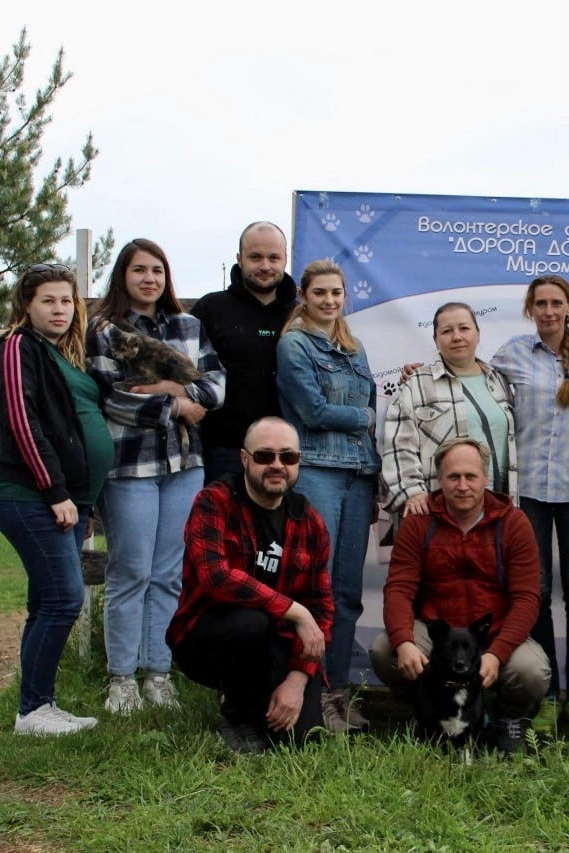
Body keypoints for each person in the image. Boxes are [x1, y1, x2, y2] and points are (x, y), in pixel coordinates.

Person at [87, 238, 226, 715]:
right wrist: (177, 405)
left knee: (168, 573)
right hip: (130, 466)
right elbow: (111, 396)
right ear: (122, 275)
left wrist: (171, 389)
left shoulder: (188, 326)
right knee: (130, 571)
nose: (150, 279)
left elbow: (215, 387)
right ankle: (121, 679)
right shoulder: (104, 330)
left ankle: (158, 675)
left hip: (186, 465)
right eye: (140, 270)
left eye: (158, 271)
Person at [0, 262, 114, 735]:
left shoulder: (61, 354)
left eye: (66, 301)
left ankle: (38, 706)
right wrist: (55, 492)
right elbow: (22, 421)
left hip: (69, 500)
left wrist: (83, 502)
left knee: (46, 602)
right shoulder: (17, 347)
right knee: (63, 598)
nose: (59, 310)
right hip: (28, 494)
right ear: (26, 305)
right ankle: (33, 710)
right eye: (47, 301)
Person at [370, 438, 551, 754]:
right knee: (386, 650)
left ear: (486, 479)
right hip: (437, 632)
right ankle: (423, 714)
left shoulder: (514, 522)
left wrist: (496, 653)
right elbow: (398, 588)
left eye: (471, 476)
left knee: (531, 671)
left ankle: (509, 719)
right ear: (439, 480)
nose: (463, 485)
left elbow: (527, 598)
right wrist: (404, 641)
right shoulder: (418, 522)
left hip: (491, 634)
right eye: (453, 477)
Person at [166, 417, 334, 752]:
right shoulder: (213, 502)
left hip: (278, 643)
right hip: (211, 637)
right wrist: (295, 611)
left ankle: (262, 704)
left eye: (288, 457)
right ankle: (236, 715)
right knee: (250, 623)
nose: (277, 465)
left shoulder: (310, 521)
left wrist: (298, 678)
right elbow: (217, 578)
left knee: (299, 740)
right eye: (264, 456)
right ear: (244, 459)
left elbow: (323, 609)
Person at [490, 275, 569, 738]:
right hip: (530, 497)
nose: (548, 311)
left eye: (556, 303)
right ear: (529, 308)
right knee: (535, 592)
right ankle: (545, 695)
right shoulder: (511, 353)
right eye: (540, 303)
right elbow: (473, 383)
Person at [276, 259, 380, 733]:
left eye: (337, 293)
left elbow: (370, 399)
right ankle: (309, 691)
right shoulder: (293, 344)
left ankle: (338, 690)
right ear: (304, 294)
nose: (330, 300)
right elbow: (313, 411)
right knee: (314, 588)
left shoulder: (353, 347)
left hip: (359, 474)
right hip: (318, 470)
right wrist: (362, 418)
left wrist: (364, 416)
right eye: (320, 292)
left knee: (347, 591)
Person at [381, 301, 517, 518]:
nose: (457, 337)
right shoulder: (417, 384)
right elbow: (399, 445)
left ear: (478, 333)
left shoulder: (498, 380)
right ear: (435, 340)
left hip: (498, 506)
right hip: (439, 508)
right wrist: (412, 493)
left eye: (464, 328)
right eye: (447, 331)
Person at [191, 222, 298, 483]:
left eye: (274, 257)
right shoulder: (210, 309)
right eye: (255, 257)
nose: (265, 265)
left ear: (285, 259)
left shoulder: (300, 315)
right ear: (239, 259)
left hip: (284, 455)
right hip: (222, 451)